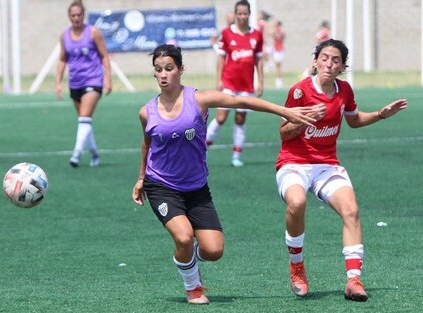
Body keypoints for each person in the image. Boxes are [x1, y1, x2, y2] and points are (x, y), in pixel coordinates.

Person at [132, 44, 324, 305]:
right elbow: (147, 144)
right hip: (162, 186)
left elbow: (240, 101)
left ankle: (184, 257)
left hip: (197, 188)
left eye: (169, 68)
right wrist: (142, 177)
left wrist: (284, 111)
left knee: (213, 250)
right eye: (158, 70)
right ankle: (194, 289)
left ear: (180, 70)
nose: (164, 74)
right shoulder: (147, 112)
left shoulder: (199, 99)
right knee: (184, 236)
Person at [275, 39, 407, 302]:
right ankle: (297, 265)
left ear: (342, 66)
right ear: (315, 61)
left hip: (327, 165)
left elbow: (354, 120)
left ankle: (354, 280)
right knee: (297, 202)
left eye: (335, 60)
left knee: (351, 210)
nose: (328, 64)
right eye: (324, 58)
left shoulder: (344, 90)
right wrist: (305, 119)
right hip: (293, 163)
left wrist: (380, 114)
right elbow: (284, 133)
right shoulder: (299, 91)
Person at [205, 0, 264, 167]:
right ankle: (203, 150)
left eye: (245, 13)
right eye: (239, 13)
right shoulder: (227, 33)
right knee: (221, 117)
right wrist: (218, 80)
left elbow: (258, 61)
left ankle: (236, 156)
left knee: (240, 118)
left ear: (249, 14)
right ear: (235, 14)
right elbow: (221, 57)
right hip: (229, 83)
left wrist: (260, 81)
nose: (242, 17)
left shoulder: (256, 35)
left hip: (246, 86)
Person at [55, 0, 112, 168]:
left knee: (84, 118)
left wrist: (108, 78)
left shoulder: (93, 32)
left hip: (93, 80)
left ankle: (76, 154)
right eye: (73, 15)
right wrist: (58, 83)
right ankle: (94, 154)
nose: (76, 18)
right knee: (84, 121)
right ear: (69, 16)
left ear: (83, 15)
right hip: (75, 83)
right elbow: (62, 59)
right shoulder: (64, 35)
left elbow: (104, 55)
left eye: (79, 14)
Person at [270, 20, 286, 89]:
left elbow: (284, 35)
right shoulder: (275, 31)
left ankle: (279, 80)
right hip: (275, 49)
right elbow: (270, 34)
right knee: (277, 65)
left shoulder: (281, 32)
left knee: (279, 65)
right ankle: (277, 80)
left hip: (280, 49)